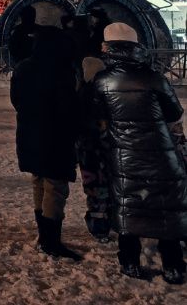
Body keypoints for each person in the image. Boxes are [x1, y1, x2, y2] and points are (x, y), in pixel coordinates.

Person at [84, 23, 187, 283]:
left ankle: (130, 261)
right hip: (161, 154)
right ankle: (173, 266)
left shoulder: (103, 81)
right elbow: (174, 113)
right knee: (166, 209)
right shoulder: (155, 77)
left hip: (124, 156)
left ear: (108, 47)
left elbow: (96, 116)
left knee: (128, 205)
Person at [10, 0, 84, 261]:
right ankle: (51, 239)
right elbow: (71, 106)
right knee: (55, 185)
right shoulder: (63, 72)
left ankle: (44, 233)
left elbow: (16, 99)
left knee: (39, 181)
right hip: (56, 135)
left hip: (29, 132)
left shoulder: (24, 68)